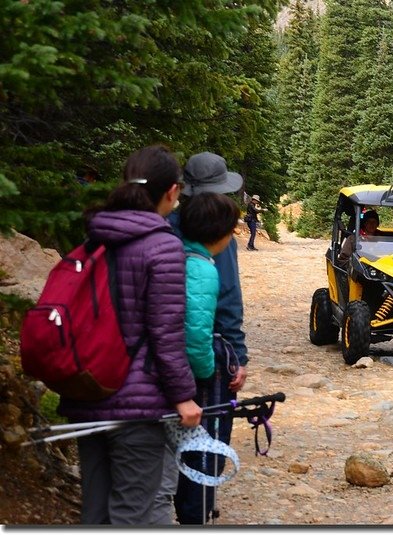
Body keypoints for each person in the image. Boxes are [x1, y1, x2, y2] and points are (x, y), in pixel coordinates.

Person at [58, 144, 202, 525]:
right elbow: (166, 332)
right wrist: (184, 397)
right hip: (137, 404)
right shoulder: (163, 247)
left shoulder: (94, 238)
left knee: (95, 510)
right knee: (132, 514)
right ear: (172, 191)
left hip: (86, 392)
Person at [162, 151, 250, 525]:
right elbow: (227, 299)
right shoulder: (218, 233)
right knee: (210, 431)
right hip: (207, 350)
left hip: (162, 347)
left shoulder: (167, 225)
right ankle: (198, 509)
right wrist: (238, 356)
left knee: (171, 431)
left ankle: (175, 505)